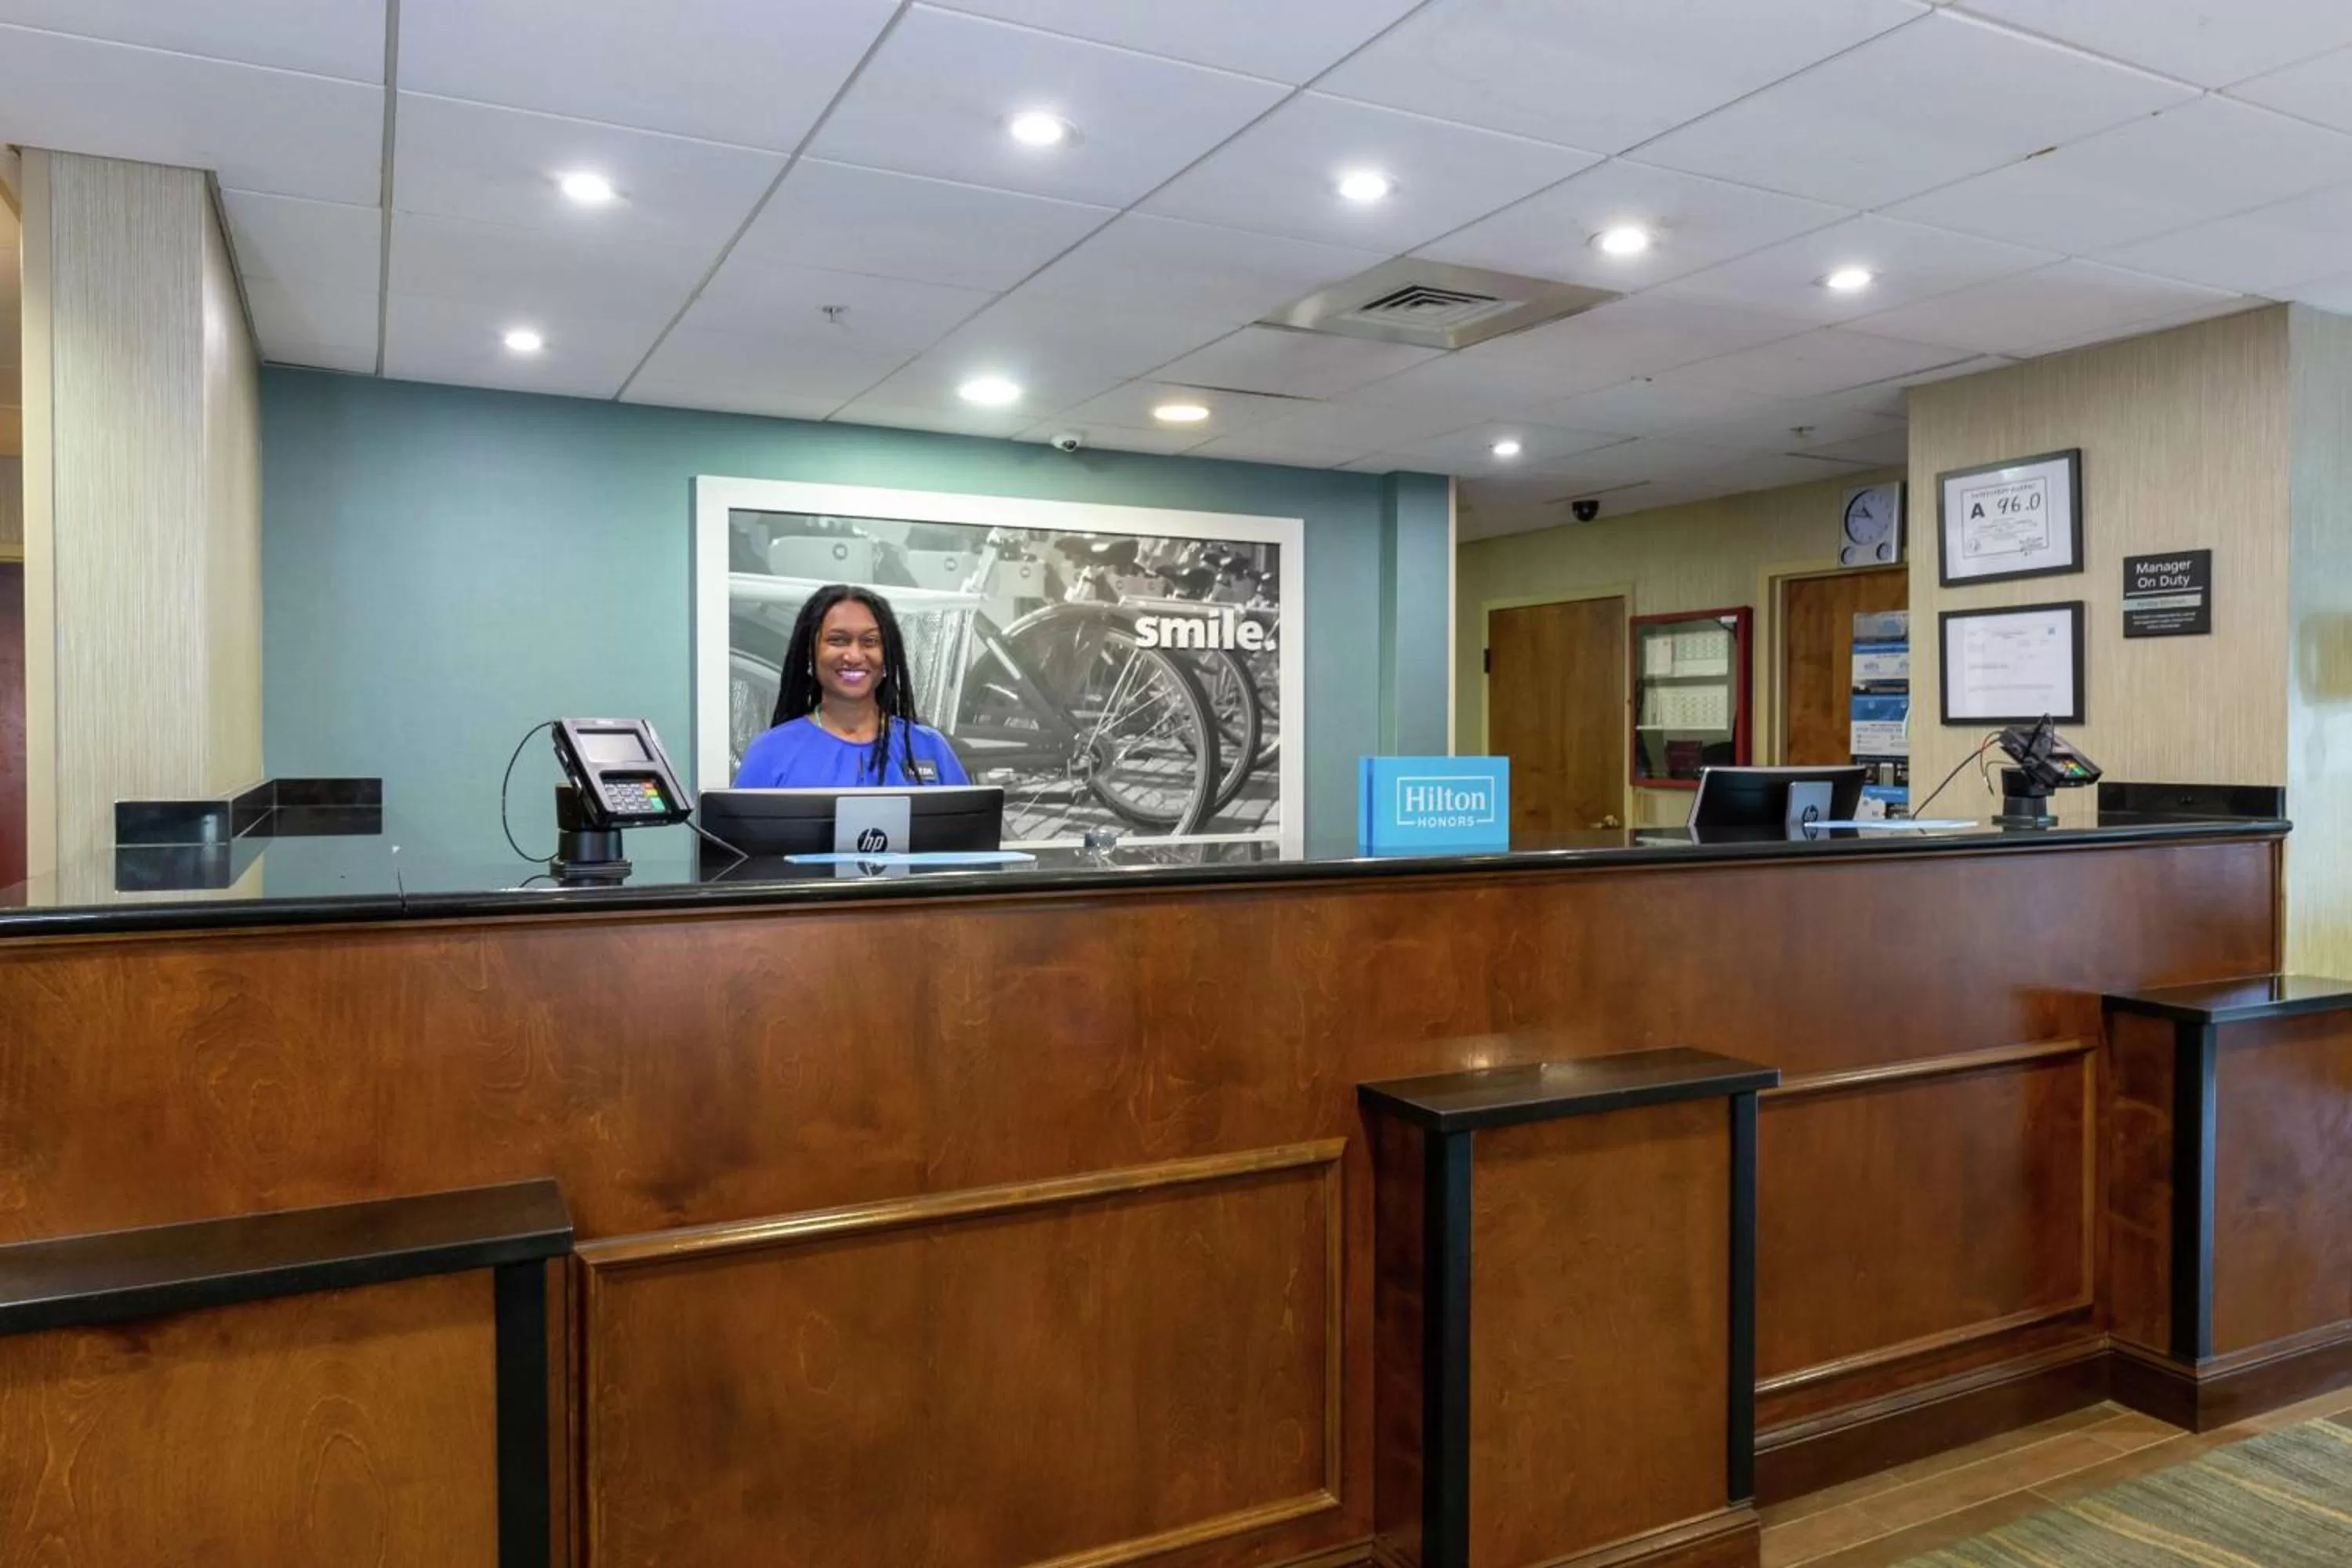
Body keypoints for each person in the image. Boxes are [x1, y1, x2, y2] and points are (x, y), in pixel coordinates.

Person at [735, 584, 971, 789]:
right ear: (810, 654)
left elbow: (972, 838)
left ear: (887, 656)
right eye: (838, 640)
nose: (855, 656)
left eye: (870, 642)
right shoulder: (770, 752)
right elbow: (734, 840)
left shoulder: (929, 747)